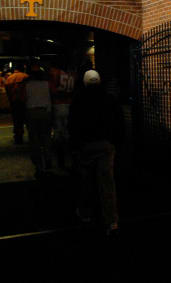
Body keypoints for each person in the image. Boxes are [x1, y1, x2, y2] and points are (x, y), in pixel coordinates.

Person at [68, 70, 122, 236]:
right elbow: (118, 122)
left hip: (85, 145)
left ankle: (85, 213)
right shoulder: (110, 99)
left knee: (86, 182)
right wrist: (116, 142)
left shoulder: (78, 100)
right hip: (105, 145)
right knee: (107, 183)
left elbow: (73, 124)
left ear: (85, 83)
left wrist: (75, 145)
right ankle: (111, 220)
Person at [25, 64, 53, 178]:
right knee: (46, 137)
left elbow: (23, 99)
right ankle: (47, 158)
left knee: (34, 139)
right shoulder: (47, 84)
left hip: (32, 112)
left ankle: (38, 164)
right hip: (45, 112)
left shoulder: (27, 85)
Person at [5, 66, 28, 144]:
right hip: (24, 101)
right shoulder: (25, 76)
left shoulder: (9, 78)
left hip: (14, 102)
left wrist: (11, 99)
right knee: (26, 120)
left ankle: (18, 137)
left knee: (16, 120)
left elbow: (7, 92)